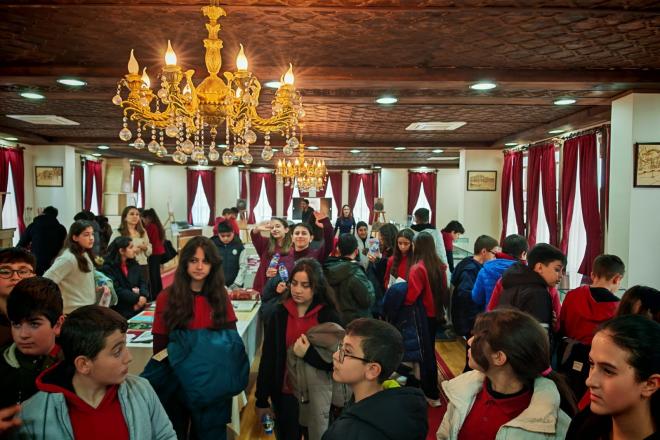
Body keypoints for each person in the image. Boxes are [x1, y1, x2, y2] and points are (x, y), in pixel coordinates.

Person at [15, 305, 176, 439]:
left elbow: (165, 436)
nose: (129, 357)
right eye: (117, 351)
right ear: (84, 364)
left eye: (125, 346)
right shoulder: (34, 414)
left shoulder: (142, 391)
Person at [152, 236, 240, 439]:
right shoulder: (166, 297)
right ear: (185, 263)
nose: (199, 267)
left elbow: (231, 340)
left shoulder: (219, 295)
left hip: (212, 382)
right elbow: (160, 346)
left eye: (205, 261)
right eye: (193, 260)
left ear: (212, 265)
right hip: (177, 381)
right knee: (175, 432)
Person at [438, 309, 575, 439]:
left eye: (478, 339)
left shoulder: (552, 426)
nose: (469, 341)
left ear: (499, 357)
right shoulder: (463, 390)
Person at [255, 258, 341, 440]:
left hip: (318, 396)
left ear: (316, 287)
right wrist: (261, 399)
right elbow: (269, 358)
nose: (297, 290)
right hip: (285, 395)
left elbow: (338, 362)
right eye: (294, 283)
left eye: (305, 285)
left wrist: (308, 354)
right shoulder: (280, 313)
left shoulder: (328, 316)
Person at [322, 318, 428, 440]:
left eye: (347, 351)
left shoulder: (344, 434)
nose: (335, 356)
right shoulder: (405, 409)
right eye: (340, 347)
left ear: (373, 370)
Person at [566, 315, 660, 440]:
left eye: (608, 371)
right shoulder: (583, 424)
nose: (589, 381)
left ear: (650, 384)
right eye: (591, 364)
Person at [0, 277, 64, 408]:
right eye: (16, 324)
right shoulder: (2, 363)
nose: (23, 335)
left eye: (34, 324)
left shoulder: (74, 367)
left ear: (58, 324)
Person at [406, 231, 449, 405]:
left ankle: (430, 392)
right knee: (430, 350)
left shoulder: (418, 268)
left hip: (422, 315)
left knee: (424, 354)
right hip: (435, 314)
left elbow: (411, 296)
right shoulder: (439, 265)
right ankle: (432, 389)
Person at [496, 243, 566, 332]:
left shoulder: (514, 282)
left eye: (562, 271)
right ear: (539, 267)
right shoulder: (538, 293)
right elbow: (539, 335)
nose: (561, 275)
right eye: (557, 270)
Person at [560, 254, 625, 345]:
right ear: (617, 279)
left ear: (592, 275)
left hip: (571, 351)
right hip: (602, 353)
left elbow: (561, 328)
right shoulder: (620, 307)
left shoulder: (572, 295)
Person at [451, 234, 499, 339]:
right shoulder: (471, 270)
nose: (495, 257)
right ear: (484, 251)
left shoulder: (469, 264)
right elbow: (465, 296)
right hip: (471, 322)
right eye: (494, 253)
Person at [44, 220, 97, 314]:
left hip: (86, 309)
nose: (91, 238)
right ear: (75, 237)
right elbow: (46, 281)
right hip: (73, 312)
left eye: (92, 234)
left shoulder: (84, 253)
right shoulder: (68, 258)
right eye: (86, 235)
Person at [323, 234, 375, 326]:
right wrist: (369, 283)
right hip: (355, 323)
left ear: (338, 250)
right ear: (356, 251)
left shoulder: (326, 268)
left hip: (332, 322)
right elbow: (367, 300)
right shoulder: (356, 273)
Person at [472, 233, 528, 312]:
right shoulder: (527, 273)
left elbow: (476, 298)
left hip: (491, 316)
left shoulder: (485, 270)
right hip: (517, 317)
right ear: (523, 254)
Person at [100, 237, 149, 319]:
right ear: (121, 251)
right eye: (131, 247)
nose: (134, 250)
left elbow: (143, 282)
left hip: (139, 306)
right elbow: (117, 290)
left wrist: (143, 296)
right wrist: (137, 298)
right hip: (121, 310)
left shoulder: (134, 264)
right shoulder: (108, 268)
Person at [111, 206, 152, 294]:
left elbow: (149, 251)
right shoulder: (118, 232)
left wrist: (145, 248)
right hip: (126, 266)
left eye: (137, 214)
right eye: (132, 214)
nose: (135, 216)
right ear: (125, 217)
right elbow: (111, 250)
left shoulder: (142, 232)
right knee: (129, 292)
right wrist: (130, 251)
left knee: (143, 292)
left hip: (142, 265)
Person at [0, 248, 36, 347]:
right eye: (5, 272)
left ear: (34, 277)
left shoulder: (46, 315)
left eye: (23, 271)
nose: (15, 277)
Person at [17, 206, 67, 275]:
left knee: (36, 279)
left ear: (43, 213)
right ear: (55, 216)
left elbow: (22, 243)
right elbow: (63, 246)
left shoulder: (33, 225)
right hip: (53, 261)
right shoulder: (61, 228)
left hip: (36, 260)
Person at [250, 217, 292, 293]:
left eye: (278, 226)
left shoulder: (293, 247)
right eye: (272, 228)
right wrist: (257, 228)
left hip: (284, 289)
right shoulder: (266, 244)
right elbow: (255, 237)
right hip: (265, 288)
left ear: (286, 229)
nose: (274, 229)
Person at [211, 219, 247, 289]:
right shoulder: (213, 246)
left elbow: (243, 266)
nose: (226, 238)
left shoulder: (239, 246)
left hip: (236, 285)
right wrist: (216, 283)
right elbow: (211, 266)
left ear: (233, 232)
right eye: (222, 236)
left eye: (228, 235)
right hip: (217, 285)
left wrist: (237, 283)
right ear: (218, 234)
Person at [141, 208, 166, 297]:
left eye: (143, 219)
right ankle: (158, 292)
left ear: (148, 218)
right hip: (158, 252)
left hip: (154, 252)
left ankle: (154, 294)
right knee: (156, 274)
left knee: (152, 275)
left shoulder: (151, 226)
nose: (143, 221)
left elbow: (147, 239)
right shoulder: (156, 225)